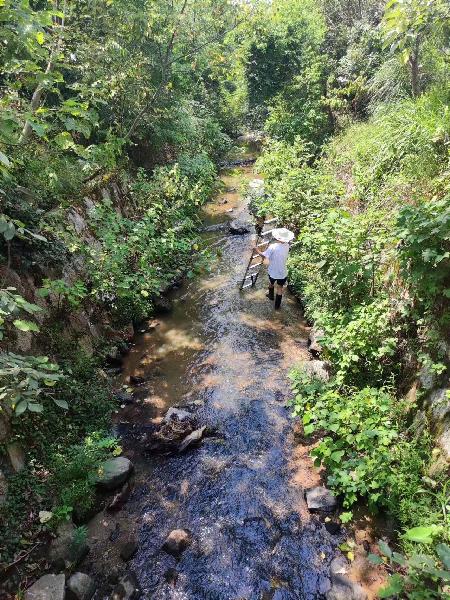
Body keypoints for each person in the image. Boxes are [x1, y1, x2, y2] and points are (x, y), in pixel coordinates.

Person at [253, 227, 295, 309]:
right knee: (280, 288)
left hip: (273, 271)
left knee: (271, 283)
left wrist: (256, 249)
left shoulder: (273, 246)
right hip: (283, 272)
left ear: (278, 237)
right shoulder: (287, 245)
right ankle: (277, 307)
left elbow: (264, 256)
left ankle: (271, 296)